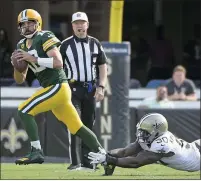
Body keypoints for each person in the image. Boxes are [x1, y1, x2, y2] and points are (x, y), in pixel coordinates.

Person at [10, 9, 106, 165]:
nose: (27, 27)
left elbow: (58, 63)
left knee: (24, 110)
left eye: (30, 23)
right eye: (23, 24)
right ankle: (105, 156)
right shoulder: (21, 45)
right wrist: (17, 66)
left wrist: (33, 58)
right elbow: (20, 79)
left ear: (38, 24)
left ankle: (36, 151)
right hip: (52, 89)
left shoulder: (44, 36)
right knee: (77, 127)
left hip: (58, 86)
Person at [60, 12, 107, 170]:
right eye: (76, 23)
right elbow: (57, 66)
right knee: (74, 123)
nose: (80, 26)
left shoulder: (95, 43)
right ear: (72, 26)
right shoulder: (65, 45)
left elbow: (102, 66)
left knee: (88, 125)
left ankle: (88, 163)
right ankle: (75, 162)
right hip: (72, 88)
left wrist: (101, 86)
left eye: (82, 23)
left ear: (87, 24)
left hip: (90, 88)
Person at [88, 113, 200, 175]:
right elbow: (125, 152)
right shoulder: (153, 136)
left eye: (145, 132)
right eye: (141, 130)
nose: (141, 134)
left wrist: (109, 159)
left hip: (197, 159)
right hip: (194, 147)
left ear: (157, 131)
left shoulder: (163, 145)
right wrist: (106, 154)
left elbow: (136, 162)